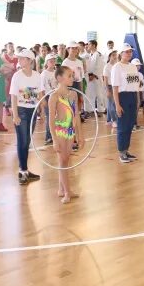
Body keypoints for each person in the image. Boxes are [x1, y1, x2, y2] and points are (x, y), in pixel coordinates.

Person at [10, 49, 44, 185]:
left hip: (33, 111)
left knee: (27, 141)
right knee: (22, 141)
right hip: (21, 111)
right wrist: (15, 115)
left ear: (30, 60)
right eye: (19, 58)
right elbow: (13, 96)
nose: (19, 60)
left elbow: (40, 93)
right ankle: (23, 171)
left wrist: (41, 108)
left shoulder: (37, 75)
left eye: (23, 58)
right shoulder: (17, 76)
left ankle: (24, 170)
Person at [49, 65, 83, 203]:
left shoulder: (73, 94)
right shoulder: (54, 96)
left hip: (70, 131)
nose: (72, 78)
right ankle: (67, 192)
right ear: (59, 78)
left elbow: (76, 116)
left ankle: (61, 189)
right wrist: (54, 139)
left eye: (72, 75)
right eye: (69, 76)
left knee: (65, 160)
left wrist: (80, 136)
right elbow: (51, 120)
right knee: (63, 161)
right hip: (60, 131)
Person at [112, 43, 141, 163]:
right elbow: (115, 87)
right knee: (122, 126)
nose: (129, 54)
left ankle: (126, 150)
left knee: (129, 125)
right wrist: (117, 105)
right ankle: (121, 152)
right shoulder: (117, 67)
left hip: (132, 96)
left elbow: (135, 85)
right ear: (121, 54)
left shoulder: (133, 67)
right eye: (126, 52)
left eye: (130, 52)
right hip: (122, 97)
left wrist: (137, 100)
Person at [41, 55, 58, 145]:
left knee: (56, 117)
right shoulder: (44, 74)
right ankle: (48, 136)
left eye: (53, 60)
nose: (52, 62)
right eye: (50, 61)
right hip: (48, 97)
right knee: (50, 117)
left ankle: (56, 135)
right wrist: (43, 99)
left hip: (56, 96)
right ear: (47, 62)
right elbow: (42, 88)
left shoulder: (56, 72)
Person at [85, 40, 106, 116]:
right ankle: (91, 110)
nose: (88, 46)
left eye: (89, 44)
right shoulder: (90, 55)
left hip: (96, 77)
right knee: (90, 94)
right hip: (90, 77)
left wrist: (94, 75)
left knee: (99, 94)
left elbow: (99, 66)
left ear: (94, 45)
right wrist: (89, 75)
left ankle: (101, 110)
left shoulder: (98, 54)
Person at [103, 51, 118, 128]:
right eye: (113, 55)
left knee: (110, 104)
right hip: (109, 86)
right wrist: (107, 90)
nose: (115, 56)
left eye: (116, 55)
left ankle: (108, 120)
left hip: (116, 86)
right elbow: (105, 79)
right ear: (109, 56)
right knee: (112, 104)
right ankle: (114, 120)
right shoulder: (107, 66)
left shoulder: (117, 65)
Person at [131, 58, 144, 130]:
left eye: (139, 65)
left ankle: (135, 122)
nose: (138, 67)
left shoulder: (140, 75)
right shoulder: (131, 75)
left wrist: (142, 95)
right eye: (136, 65)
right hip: (133, 93)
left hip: (138, 93)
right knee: (133, 108)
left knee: (137, 108)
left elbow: (142, 85)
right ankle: (132, 123)